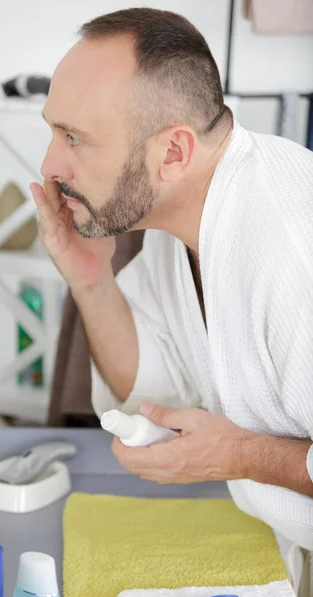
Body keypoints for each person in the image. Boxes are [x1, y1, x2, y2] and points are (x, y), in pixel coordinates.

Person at [30, 8, 313, 550]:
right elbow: (152, 392)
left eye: (74, 138)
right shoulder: (180, 220)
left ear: (174, 152)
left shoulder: (292, 250)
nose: (50, 166)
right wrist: (92, 281)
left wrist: (238, 455)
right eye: (53, 131)